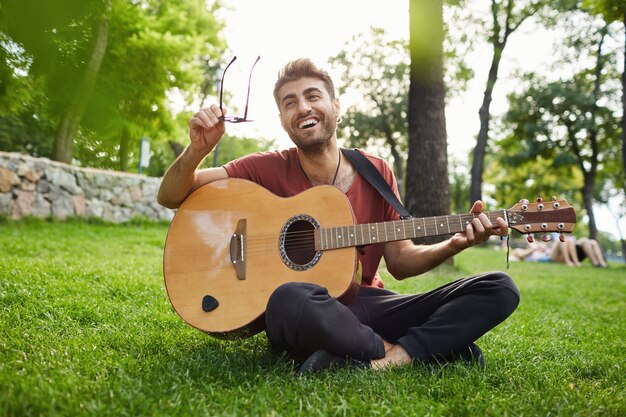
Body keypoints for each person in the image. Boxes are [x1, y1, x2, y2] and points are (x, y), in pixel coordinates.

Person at [157, 58, 520, 373]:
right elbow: (170, 195)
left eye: (312, 96)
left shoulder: (376, 172)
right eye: (290, 103)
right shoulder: (263, 167)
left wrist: (456, 243)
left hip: (368, 303)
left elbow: (401, 262)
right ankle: (424, 349)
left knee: (500, 288)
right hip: (307, 310)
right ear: (283, 120)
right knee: (288, 298)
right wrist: (196, 150)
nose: (303, 108)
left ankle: (382, 358)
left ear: (335, 105)